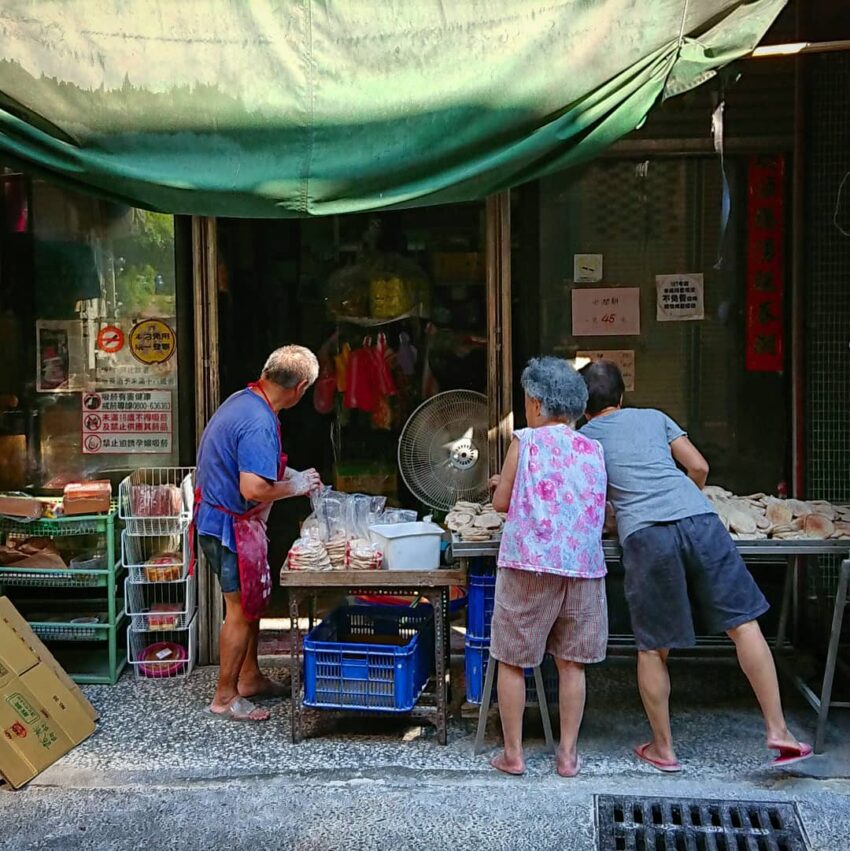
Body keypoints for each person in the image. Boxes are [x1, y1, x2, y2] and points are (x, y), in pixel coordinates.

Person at [580, 360, 811, 770]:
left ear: (584, 406)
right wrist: (683, 496)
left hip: (646, 536)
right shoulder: (654, 417)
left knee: (653, 647)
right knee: (743, 624)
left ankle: (663, 749)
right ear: (622, 396)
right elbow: (699, 466)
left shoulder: (585, 437)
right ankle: (779, 731)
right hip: (699, 520)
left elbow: (593, 499)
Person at [488, 357, 608, 777]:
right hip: (582, 568)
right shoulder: (593, 448)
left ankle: (514, 755)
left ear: (536, 405)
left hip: (529, 564)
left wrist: (502, 488)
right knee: (571, 663)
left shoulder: (526, 441)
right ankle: (568, 756)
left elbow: (502, 503)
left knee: (512, 660)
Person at [196, 345, 322, 722]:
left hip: (222, 521)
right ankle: (223, 697)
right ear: (300, 387)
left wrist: (290, 477)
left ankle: (249, 678)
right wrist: (296, 486)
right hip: (228, 526)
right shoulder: (259, 423)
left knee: (252, 604)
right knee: (238, 612)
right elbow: (253, 488)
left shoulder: (245, 400)